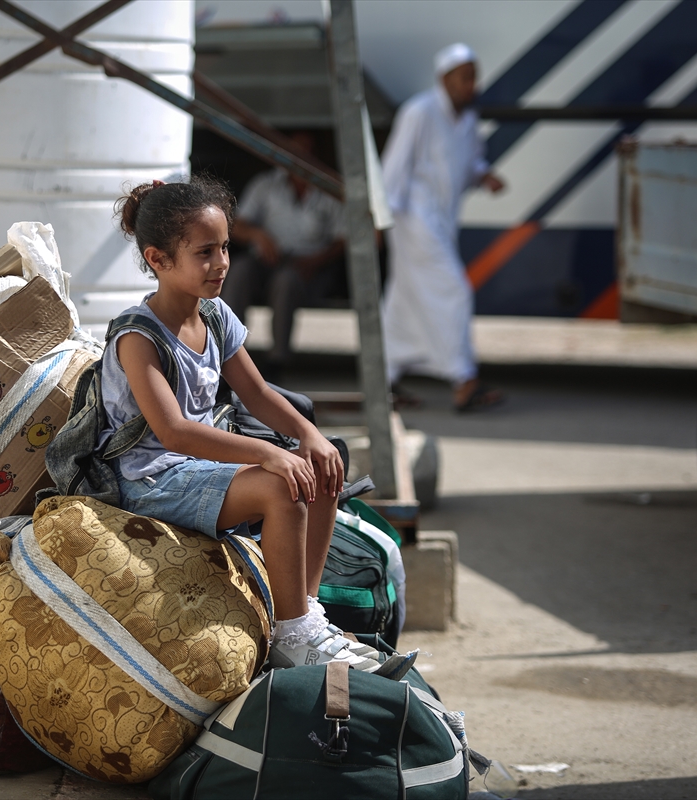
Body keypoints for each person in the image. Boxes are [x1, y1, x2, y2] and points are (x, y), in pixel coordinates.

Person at [104, 176, 396, 673]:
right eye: (204, 252)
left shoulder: (215, 316)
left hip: (198, 465)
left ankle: (304, 618)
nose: (221, 263)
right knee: (283, 486)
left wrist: (310, 437)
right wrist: (270, 453)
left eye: (224, 248)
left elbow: (257, 393)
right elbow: (173, 432)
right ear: (158, 259)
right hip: (151, 478)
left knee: (324, 466)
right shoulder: (139, 336)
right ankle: (293, 635)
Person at [379, 43, 506, 412]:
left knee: (403, 301)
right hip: (412, 222)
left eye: (474, 78)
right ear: (445, 79)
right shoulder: (419, 111)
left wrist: (484, 176)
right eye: (465, 78)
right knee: (454, 291)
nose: (471, 85)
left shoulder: (467, 120)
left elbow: (470, 164)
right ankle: (464, 380)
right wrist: (379, 220)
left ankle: (384, 378)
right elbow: (394, 168)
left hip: (441, 224)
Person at [220, 132, 345, 372]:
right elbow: (236, 225)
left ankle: (277, 360)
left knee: (286, 281)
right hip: (267, 260)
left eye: (306, 153)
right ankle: (227, 353)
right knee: (240, 271)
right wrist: (258, 235)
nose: (300, 159)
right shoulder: (266, 184)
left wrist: (315, 261)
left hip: (312, 267)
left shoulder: (330, 189)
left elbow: (343, 240)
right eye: (294, 153)